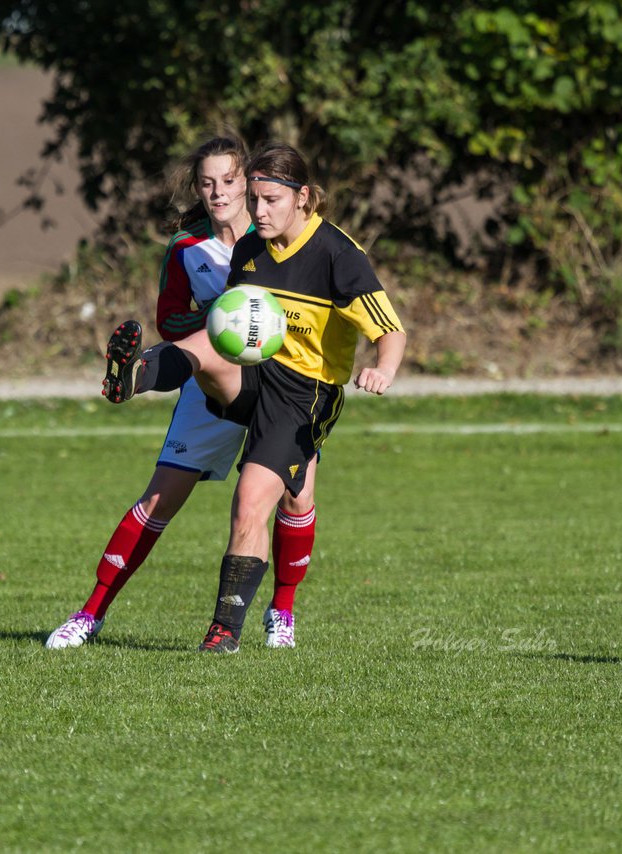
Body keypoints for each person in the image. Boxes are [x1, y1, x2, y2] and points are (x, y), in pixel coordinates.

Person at [101, 141, 407, 653]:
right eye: (256, 199)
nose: (258, 212)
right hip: (255, 374)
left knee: (251, 503)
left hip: (304, 397)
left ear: (302, 198)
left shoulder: (337, 254)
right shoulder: (250, 249)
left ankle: (226, 631)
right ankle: (136, 377)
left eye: (270, 201)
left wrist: (384, 368)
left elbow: (389, 330)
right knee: (214, 335)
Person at [47, 135, 319, 650]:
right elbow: (169, 318)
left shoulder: (282, 237)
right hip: (212, 381)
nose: (218, 193)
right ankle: (90, 614)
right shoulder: (188, 248)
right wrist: (219, 318)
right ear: (197, 188)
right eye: (207, 183)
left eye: (229, 181)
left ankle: (281, 612)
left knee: (297, 493)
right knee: (158, 499)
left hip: (283, 385)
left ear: (249, 182)